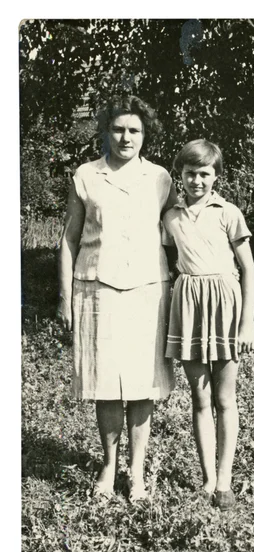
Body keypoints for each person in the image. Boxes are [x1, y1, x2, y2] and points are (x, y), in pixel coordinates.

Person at [57, 95, 176, 503]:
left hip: (148, 289)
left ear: (146, 135)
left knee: (142, 383)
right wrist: (65, 295)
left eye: (135, 130)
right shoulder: (87, 175)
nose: (126, 137)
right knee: (106, 383)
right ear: (106, 132)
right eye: (118, 129)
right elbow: (69, 239)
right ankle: (108, 468)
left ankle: (137, 473)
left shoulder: (161, 179)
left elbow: (180, 229)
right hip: (96, 288)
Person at [162, 139, 254, 511]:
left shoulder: (228, 212)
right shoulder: (170, 216)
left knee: (224, 397)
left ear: (216, 176)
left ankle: (225, 479)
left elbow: (249, 269)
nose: (197, 181)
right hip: (188, 304)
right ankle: (206, 480)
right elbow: (167, 260)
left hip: (225, 304)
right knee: (199, 397)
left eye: (205, 173)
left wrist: (247, 323)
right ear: (180, 175)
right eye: (190, 173)